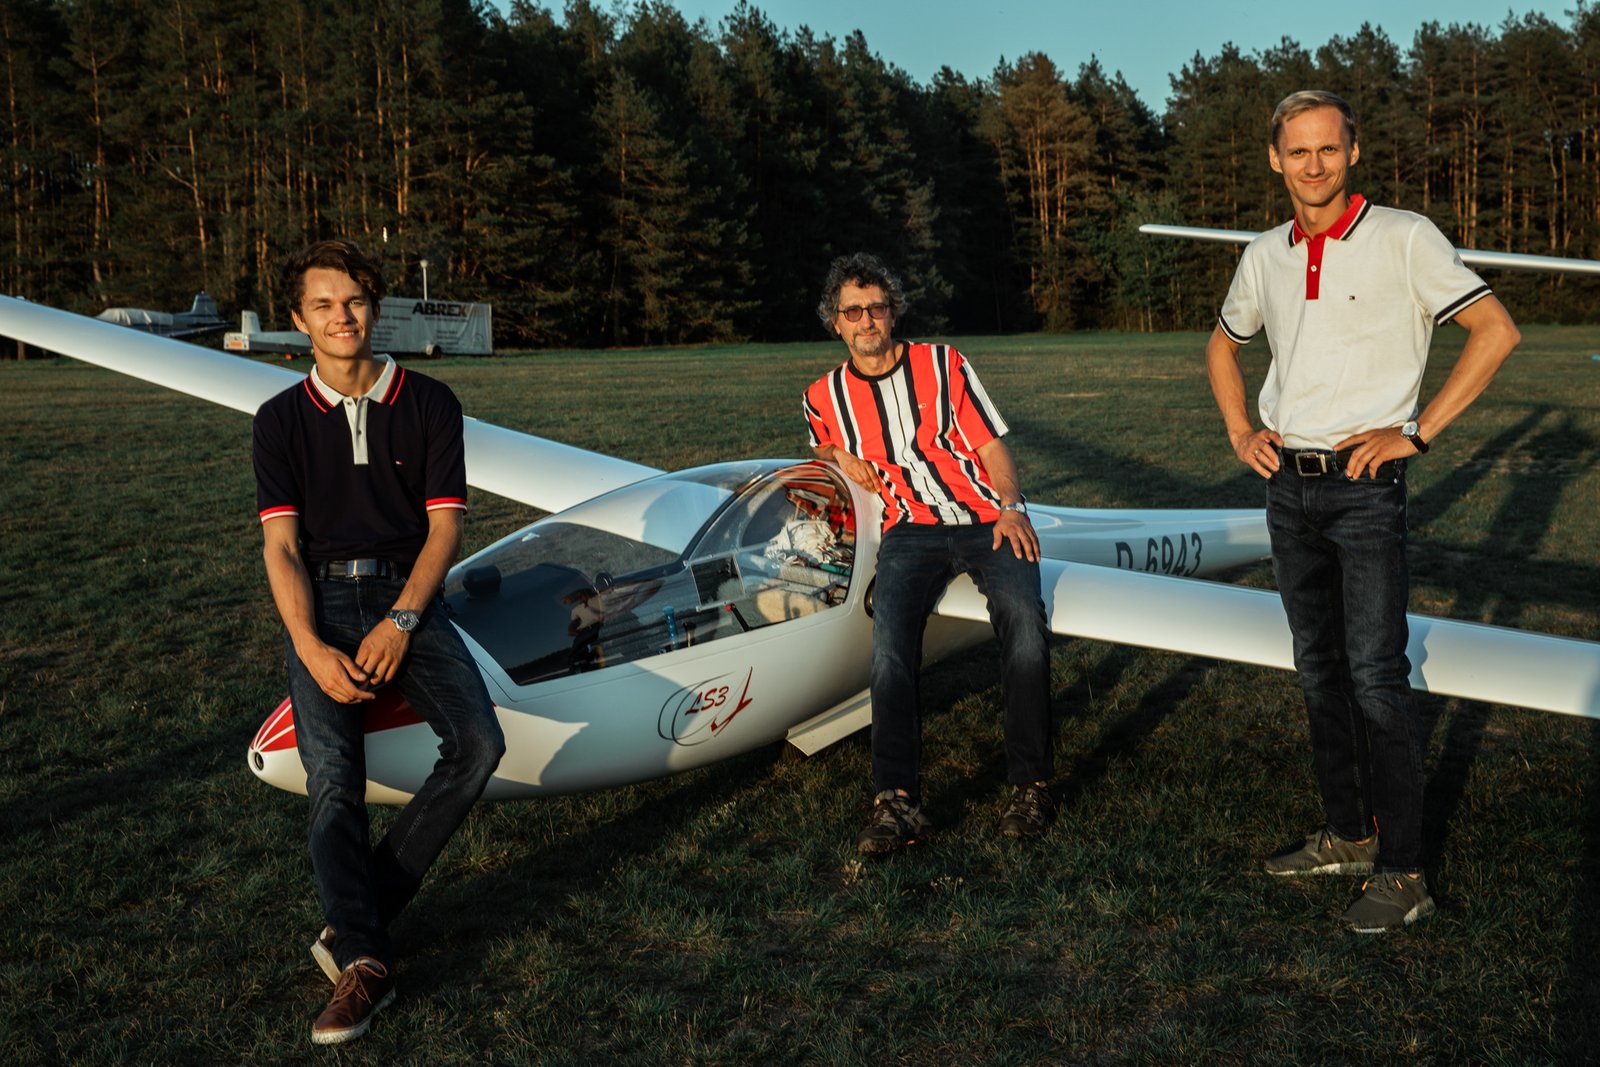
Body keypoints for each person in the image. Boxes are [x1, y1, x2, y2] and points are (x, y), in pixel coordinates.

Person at [1204, 91, 1520, 932]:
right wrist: (1241, 428)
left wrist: (1418, 431)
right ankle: (1346, 833)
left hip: (1364, 487)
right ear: (1274, 160)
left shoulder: (1404, 235)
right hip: (1286, 486)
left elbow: (1495, 330)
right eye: (1297, 152)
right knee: (1319, 670)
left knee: (1377, 677)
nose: (1314, 165)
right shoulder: (1265, 253)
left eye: (1329, 150)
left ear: (1353, 153)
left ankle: (1405, 869)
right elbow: (1223, 343)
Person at [252, 240, 505, 1042]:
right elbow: (282, 548)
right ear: (298, 320)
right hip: (320, 601)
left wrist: (401, 620)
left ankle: (358, 921)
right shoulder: (280, 419)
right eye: (323, 304)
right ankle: (366, 966)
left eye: (355, 299)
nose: (342, 317)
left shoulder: (430, 401)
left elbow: (445, 525)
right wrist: (312, 646)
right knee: (334, 781)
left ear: (376, 305)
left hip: (407, 591)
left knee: (477, 742)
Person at [801, 252, 1055, 854]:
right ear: (835, 322)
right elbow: (817, 453)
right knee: (888, 646)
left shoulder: (942, 364)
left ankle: (1032, 785)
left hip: (982, 516)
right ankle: (898, 802)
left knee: (1024, 625)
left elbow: (991, 448)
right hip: (908, 529)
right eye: (853, 311)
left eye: (877, 308)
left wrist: (1013, 506)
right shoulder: (823, 395)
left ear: (893, 313)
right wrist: (838, 458)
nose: (867, 320)